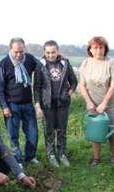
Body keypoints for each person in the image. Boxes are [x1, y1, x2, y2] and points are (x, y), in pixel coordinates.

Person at [0, 37, 40, 165]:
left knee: (32, 132)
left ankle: (30, 157)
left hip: (27, 104)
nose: (19, 54)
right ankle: (17, 159)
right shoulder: (3, 64)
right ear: (10, 49)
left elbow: (42, 66)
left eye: (21, 51)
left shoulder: (30, 59)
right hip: (11, 105)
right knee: (13, 135)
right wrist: (4, 106)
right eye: (16, 52)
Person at [34, 40, 77, 168]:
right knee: (49, 130)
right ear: (44, 52)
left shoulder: (65, 63)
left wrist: (69, 92)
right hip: (47, 104)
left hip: (63, 103)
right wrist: (37, 105)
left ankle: (62, 153)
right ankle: (51, 154)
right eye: (48, 52)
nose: (51, 55)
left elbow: (74, 82)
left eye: (53, 52)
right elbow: (36, 87)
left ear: (58, 51)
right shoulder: (40, 65)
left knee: (62, 130)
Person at [79, 36, 114, 166]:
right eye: (95, 48)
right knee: (95, 128)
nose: (98, 51)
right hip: (93, 102)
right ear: (90, 50)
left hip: (110, 101)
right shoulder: (86, 63)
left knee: (110, 129)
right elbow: (82, 85)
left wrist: (104, 103)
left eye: (101, 47)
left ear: (105, 49)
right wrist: (88, 102)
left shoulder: (111, 63)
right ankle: (96, 158)